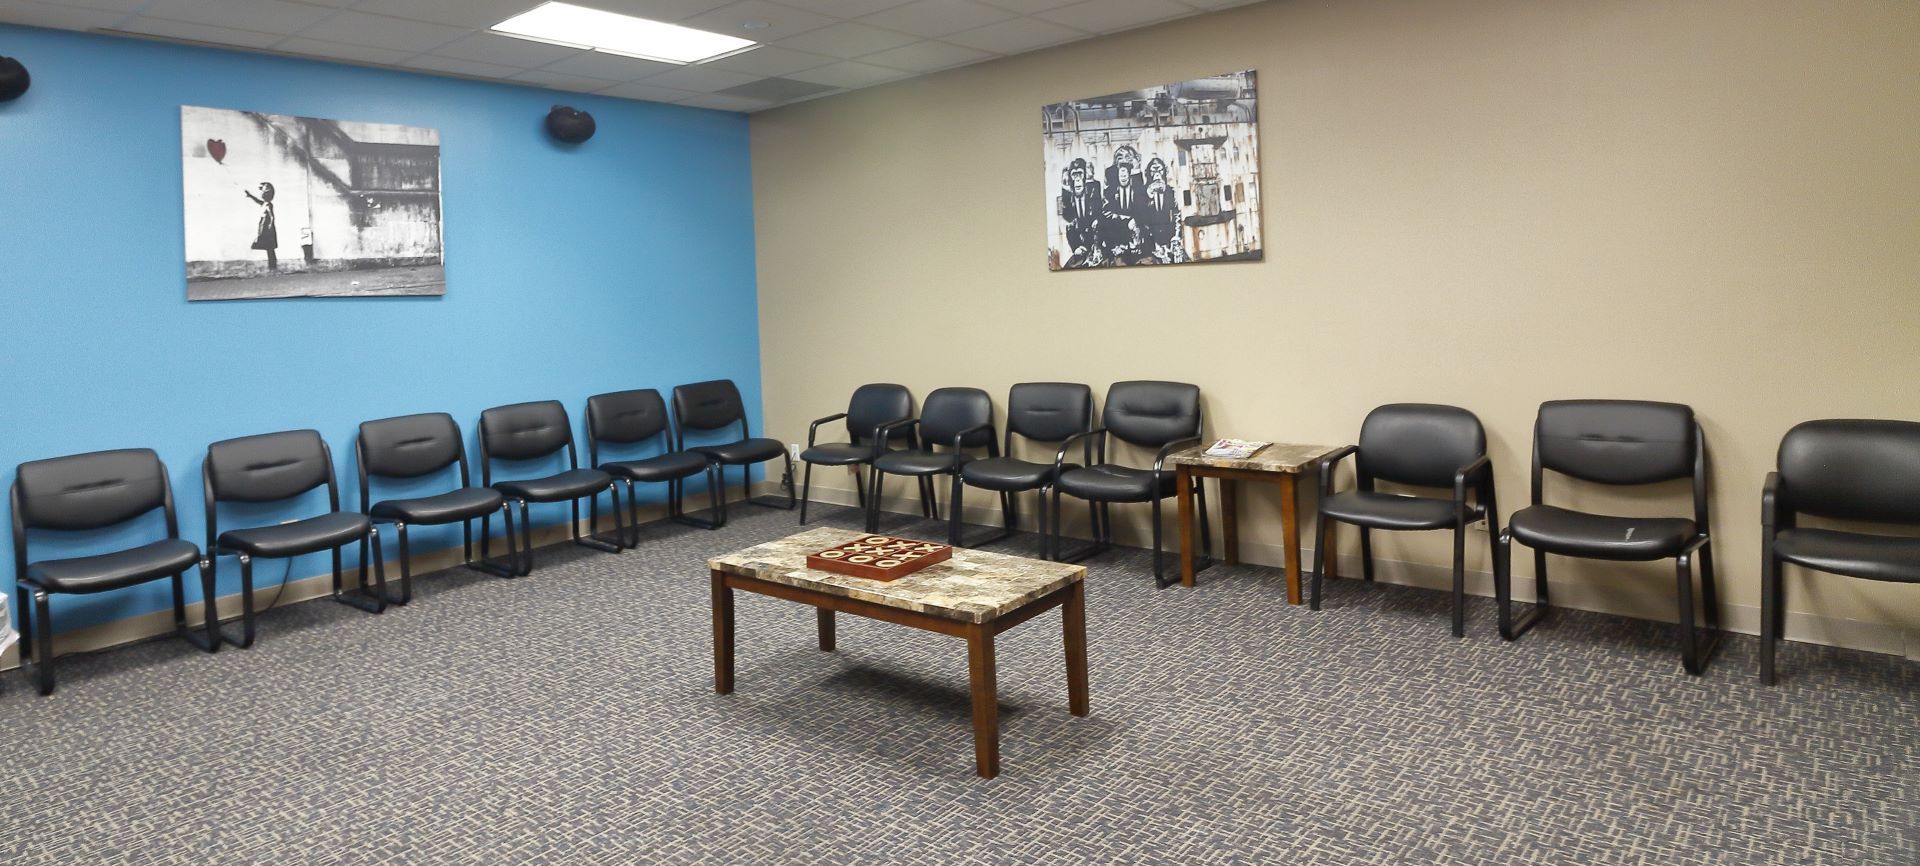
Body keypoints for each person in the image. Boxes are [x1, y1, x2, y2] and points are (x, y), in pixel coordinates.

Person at [1138, 157, 1186, 264]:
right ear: (1148, 174)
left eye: (1159, 170)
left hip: (1168, 241)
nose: (1157, 174)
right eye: (1153, 171)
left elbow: (1176, 216)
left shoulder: (1170, 191)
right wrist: (1149, 196)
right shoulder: (1142, 192)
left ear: (1164, 172)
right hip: (1150, 244)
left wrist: (1176, 236)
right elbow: (1140, 217)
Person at [1056, 158, 1103, 267]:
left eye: (1080, 174)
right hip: (1080, 245)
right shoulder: (1068, 195)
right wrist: (1075, 247)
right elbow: (1069, 223)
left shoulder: (1093, 191)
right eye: (1074, 175)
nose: (1077, 179)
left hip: (1096, 243)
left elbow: (1099, 217)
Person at [244, 181, 278, 271]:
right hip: (264, 225)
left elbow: (272, 216)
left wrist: (270, 225)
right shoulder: (265, 204)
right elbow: (257, 201)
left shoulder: (268, 205)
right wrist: (250, 195)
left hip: (266, 227)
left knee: (269, 248)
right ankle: (272, 267)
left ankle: (272, 267)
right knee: (269, 248)